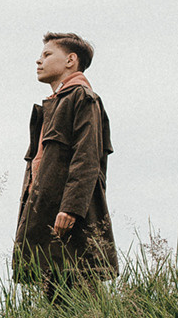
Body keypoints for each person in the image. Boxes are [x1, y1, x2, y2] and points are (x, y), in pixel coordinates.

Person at [13, 32, 116, 300]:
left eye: (47, 55)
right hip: (48, 215)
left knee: (80, 297)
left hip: (71, 218)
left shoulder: (82, 98)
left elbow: (87, 158)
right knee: (56, 298)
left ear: (71, 60)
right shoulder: (53, 105)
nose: (39, 60)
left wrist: (70, 208)